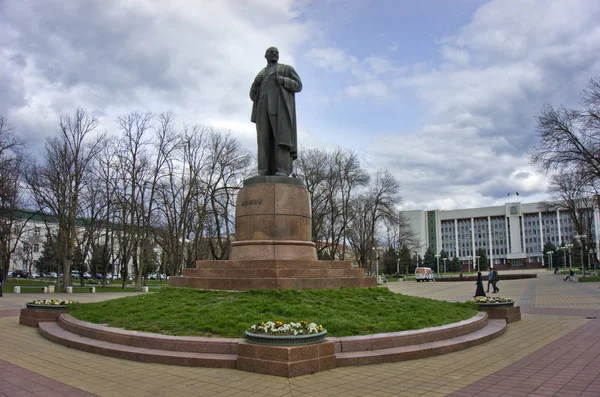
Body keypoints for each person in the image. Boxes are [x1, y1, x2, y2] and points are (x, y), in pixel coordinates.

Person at [250, 47, 302, 177]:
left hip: (279, 109)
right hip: (261, 109)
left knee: (280, 139)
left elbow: (298, 85)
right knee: (263, 140)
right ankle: (263, 171)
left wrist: (284, 81)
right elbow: (252, 96)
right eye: (271, 52)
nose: (274, 54)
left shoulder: (286, 69)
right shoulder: (261, 74)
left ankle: (282, 170)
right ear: (265, 55)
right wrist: (256, 83)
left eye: (276, 52)